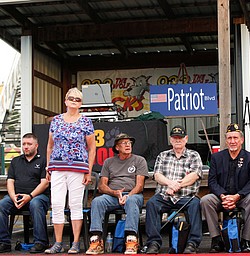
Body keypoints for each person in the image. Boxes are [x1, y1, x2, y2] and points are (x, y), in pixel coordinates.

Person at [45, 87, 96, 254]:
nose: (74, 101)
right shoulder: (56, 121)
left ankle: (75, 243)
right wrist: (48, 166)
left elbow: (92, 148)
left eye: (78, 99)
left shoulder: (86, 121)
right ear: (65, 101)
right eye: (72, 98)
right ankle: (58, 243)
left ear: (81, 104)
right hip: (57, 167)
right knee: (57, 204)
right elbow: (50, 146)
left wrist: (88, 170)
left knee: (75, 204)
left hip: (78, 168)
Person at [201, 123, 250, 253]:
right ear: (226, 140)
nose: (232, 141)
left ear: (241, 140)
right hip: (221, 197)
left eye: (235, 138)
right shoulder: (217, 157)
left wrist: (237, 196)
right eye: (229, 138)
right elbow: (212, 181)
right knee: (205, 200)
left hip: (242, 197)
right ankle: (216, 239)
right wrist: (223, 196)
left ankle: (245, 240)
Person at [86, 133, 149, 255]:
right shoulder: (109, 162)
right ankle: (96, 241)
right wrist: (115, 193)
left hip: (133, 195)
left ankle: (131, 240)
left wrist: (127, 196)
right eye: (124, 143)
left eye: (129, 143)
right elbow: (102, 186)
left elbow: (140, 186)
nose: (128, 145)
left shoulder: (139, 160)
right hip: (113, 196)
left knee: (131, 201)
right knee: (97, 201)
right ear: (117, 147)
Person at [145, 125, 203, 254]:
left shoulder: (194, 155)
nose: (178, 140)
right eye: (175, 138)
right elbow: (157, 175)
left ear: (186, 139)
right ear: (170, 140)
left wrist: (177, 186)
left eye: (180, 138)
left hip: (186, 196)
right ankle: (153, 243)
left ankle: (193, 243)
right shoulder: (162, 155)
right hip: (165, 196)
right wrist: (170, 184)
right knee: (152, 204)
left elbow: (194, 175)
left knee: (195, 205)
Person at [0, 133, 50, 253]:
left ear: (36, 145)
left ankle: (40, 242)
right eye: (24, 144)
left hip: (38, 196)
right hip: (17, 196)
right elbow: (10, 181)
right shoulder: (15, 161)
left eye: (29, 144)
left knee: (35, 204)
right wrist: (13, 197)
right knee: (2, 204)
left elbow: (45, 183)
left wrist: (30, 196)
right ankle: (4, 242)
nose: (26, 147)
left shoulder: (43, 160)